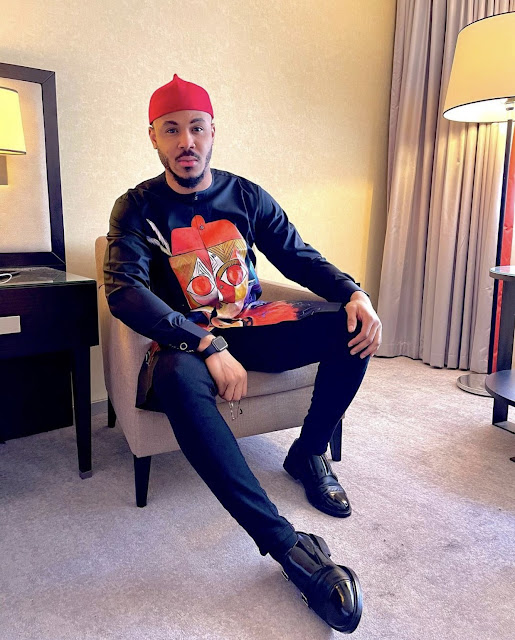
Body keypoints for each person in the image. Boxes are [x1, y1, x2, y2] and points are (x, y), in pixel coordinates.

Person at [104, 75, 382, 634]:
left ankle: (308, 453)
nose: (186, 141)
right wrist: (204, 343)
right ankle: (286, 545)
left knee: (351, 326)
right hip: (186, 343)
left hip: (255, 323)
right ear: (154, 138)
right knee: (176, 378)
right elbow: (124, 289)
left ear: (213, 132)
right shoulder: (135, 207)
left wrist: (354, 292)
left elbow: (297, 256)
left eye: (196, 128)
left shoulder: (247, 196)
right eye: (171, 130)